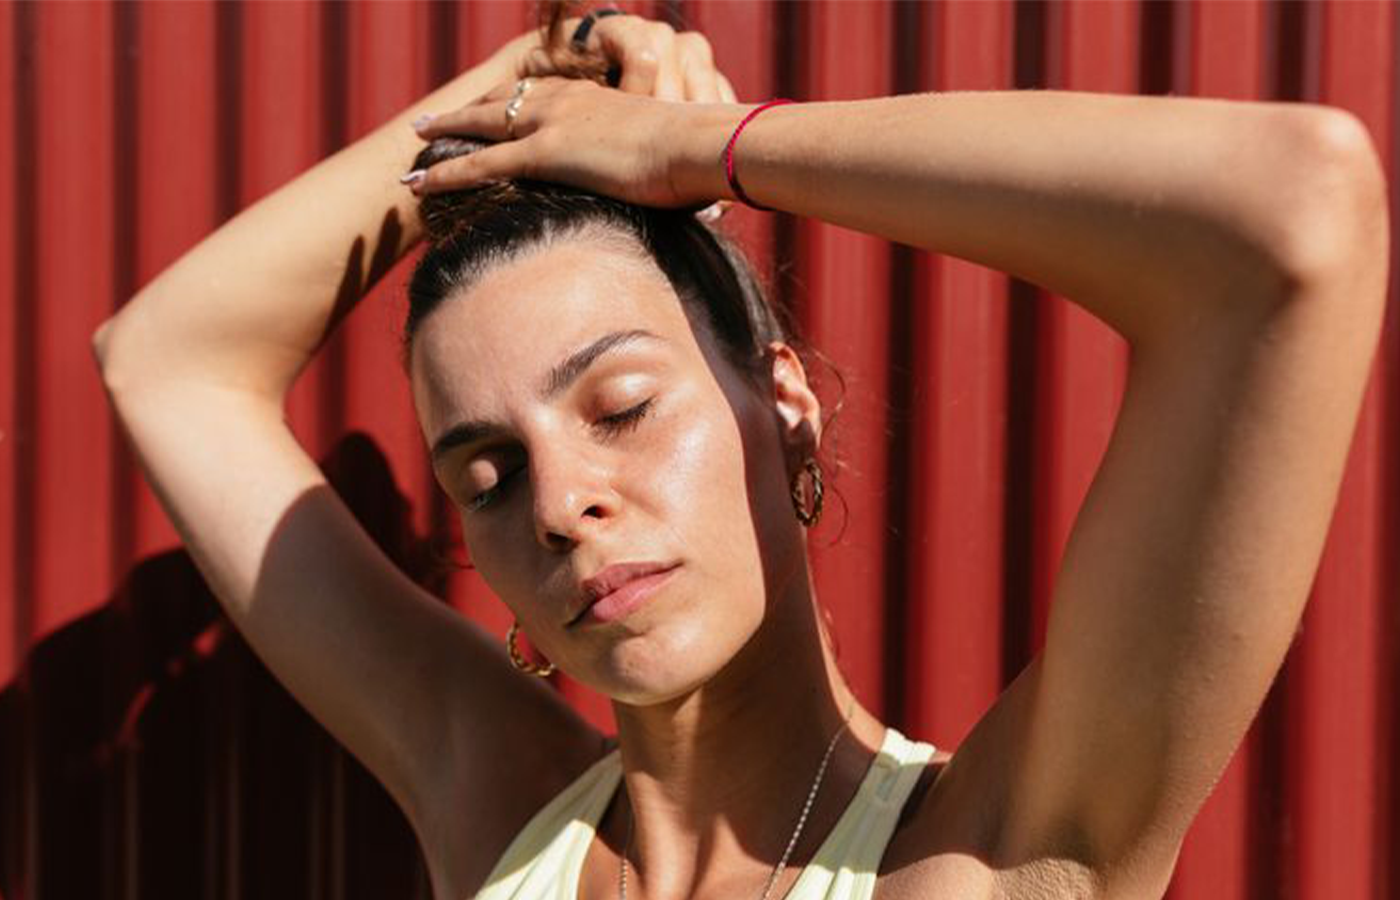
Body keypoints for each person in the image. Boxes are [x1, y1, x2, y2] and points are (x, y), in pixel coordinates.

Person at [91, 4, 1388, 899]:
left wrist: (694, 149)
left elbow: (1294, 211)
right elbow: (164, 360)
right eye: (487, 475)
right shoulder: (498, 808)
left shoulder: (991, 852)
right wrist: (541, 72)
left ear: (785, 403)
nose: (560, 503)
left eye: (621, 407)